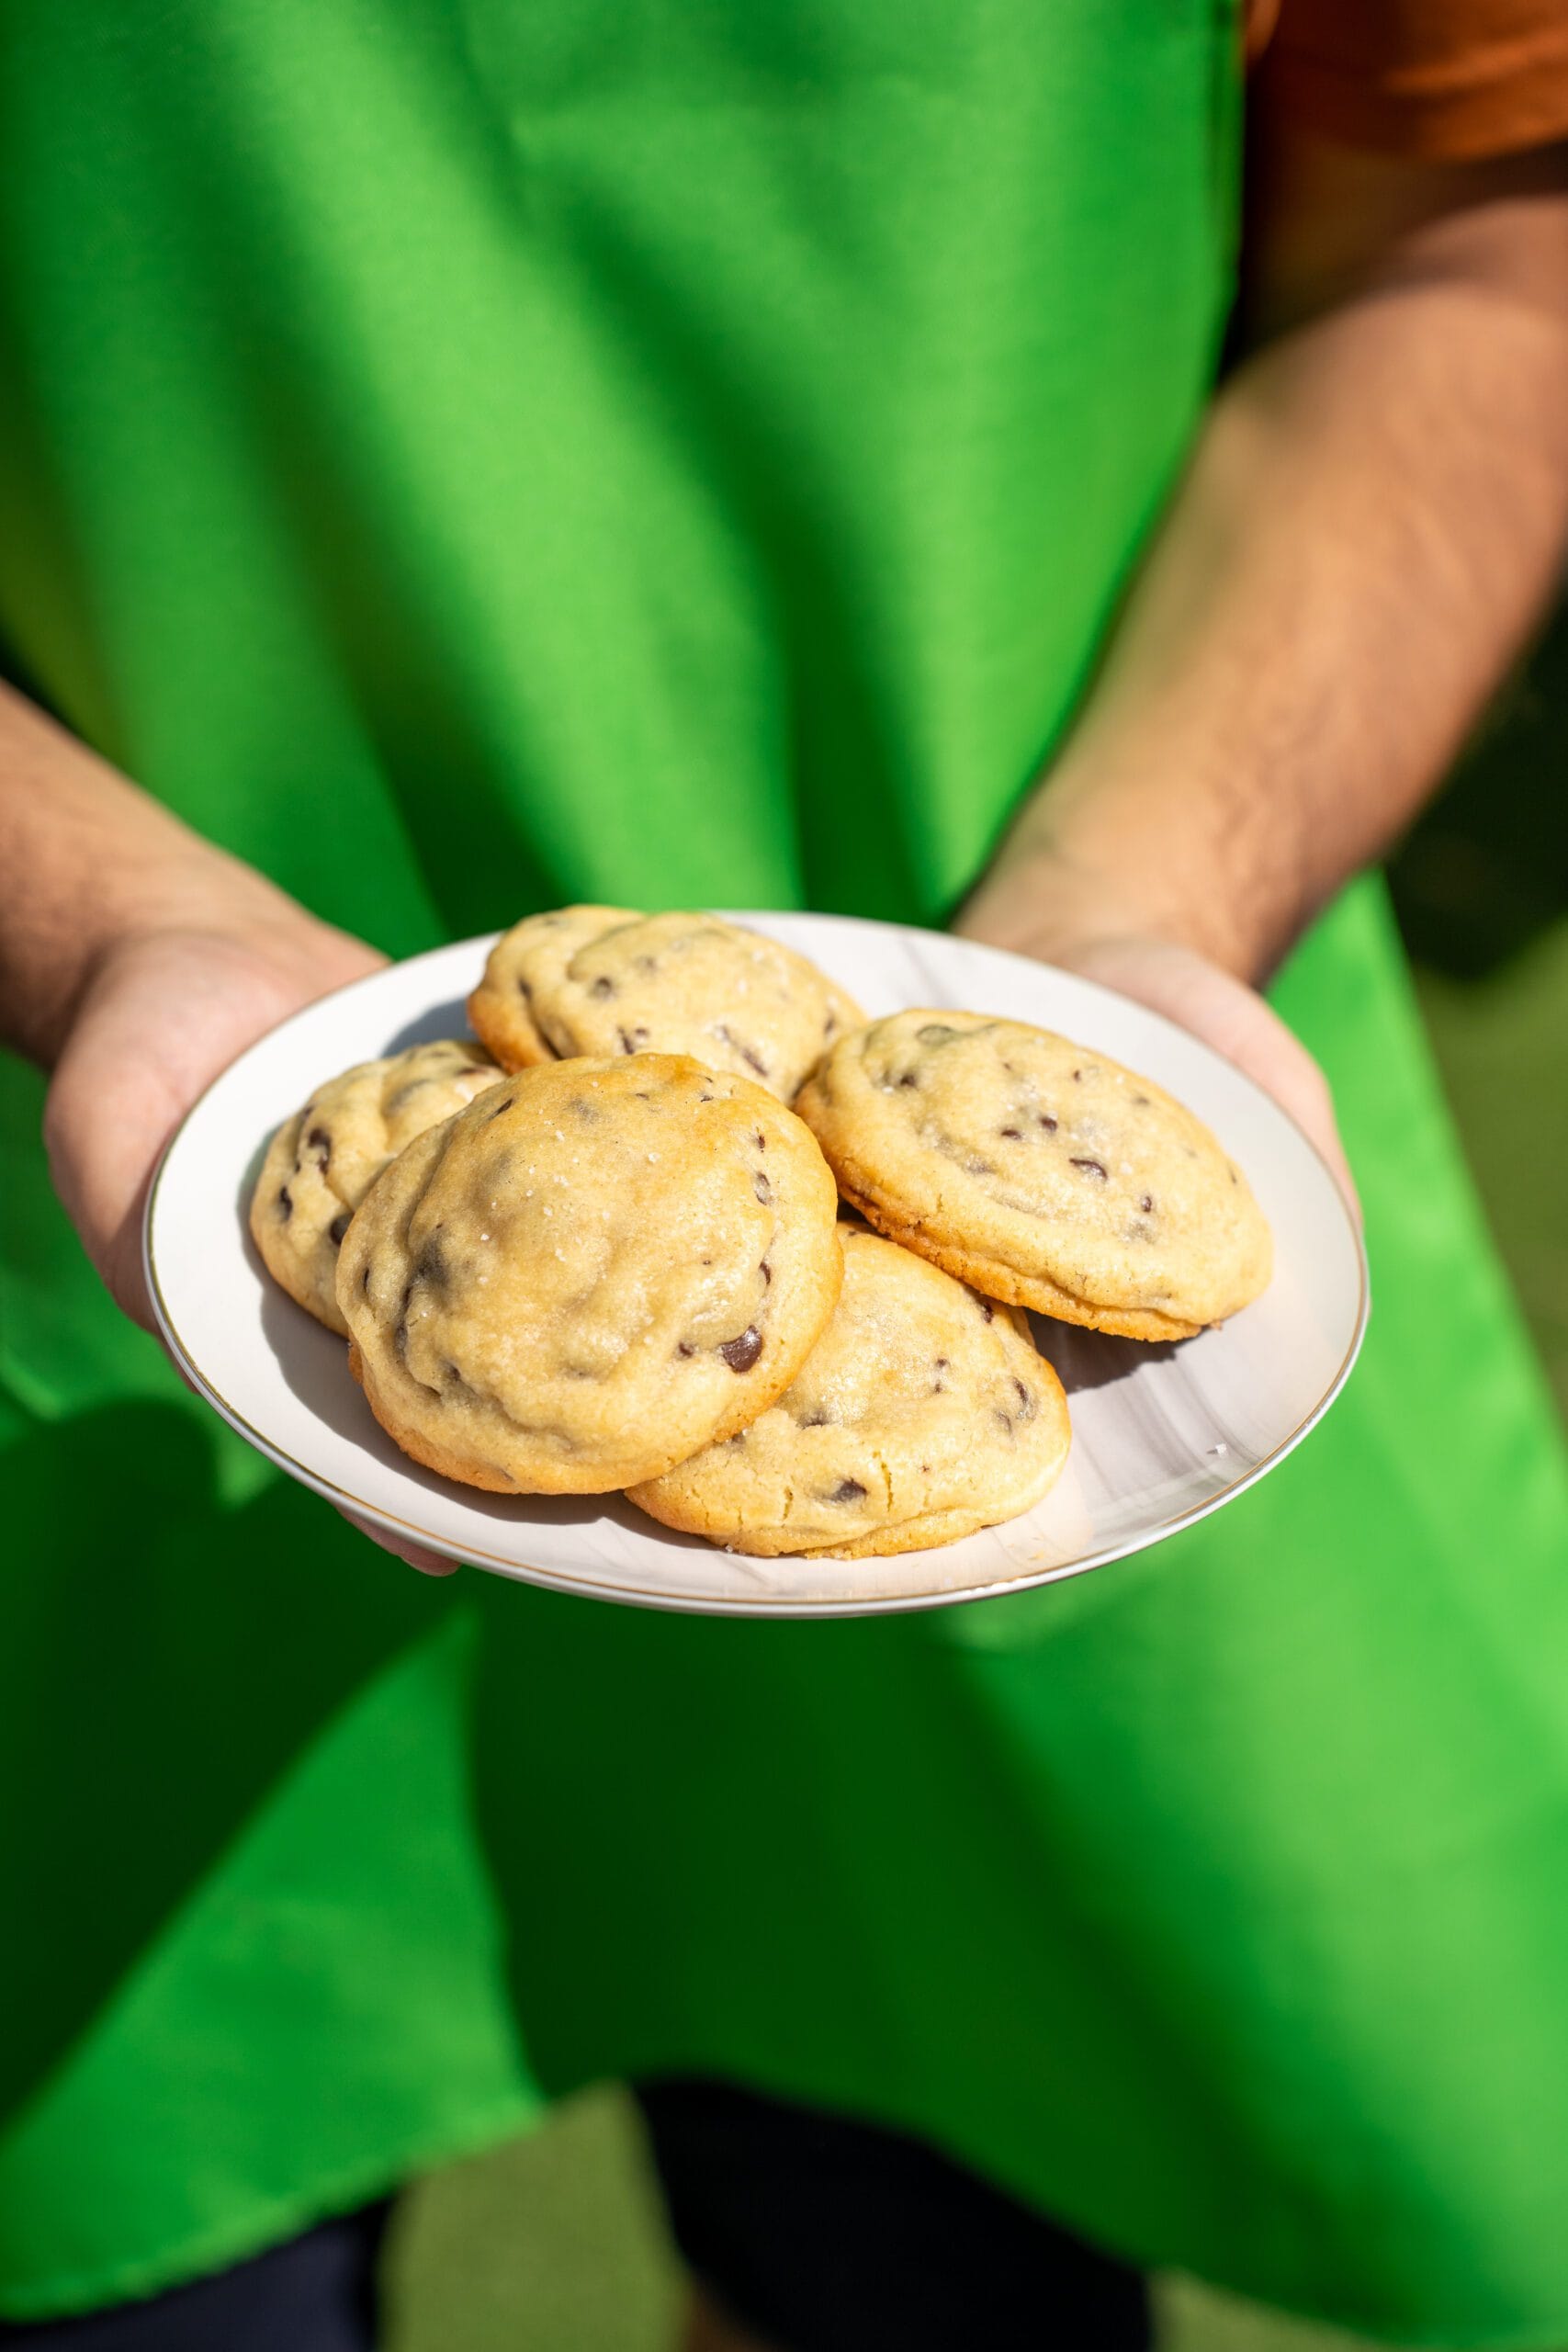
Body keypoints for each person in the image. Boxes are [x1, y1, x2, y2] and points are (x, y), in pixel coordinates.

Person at [2, 2, 1567, 2346]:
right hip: (109, 1243)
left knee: (943, 2228)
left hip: (1105, 1073)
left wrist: (1147, 908)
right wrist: (98, 917)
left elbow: (1477, 249)